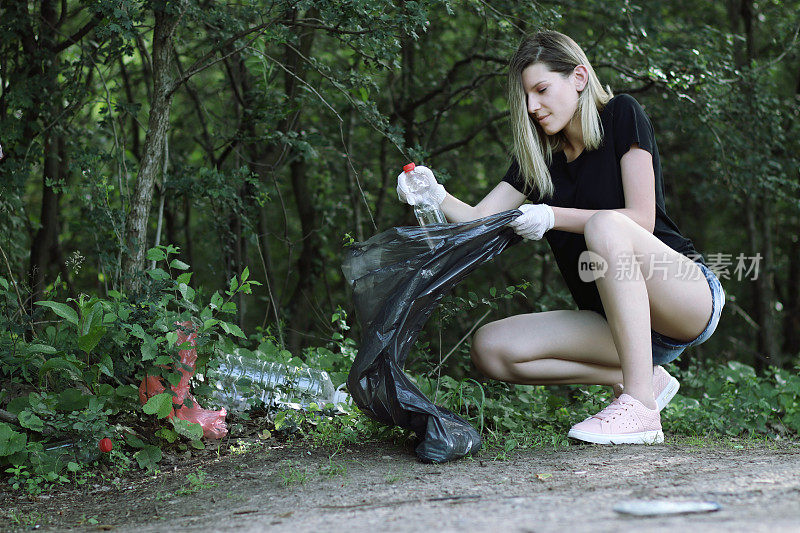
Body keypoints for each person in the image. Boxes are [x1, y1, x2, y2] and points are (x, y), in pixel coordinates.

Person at [396, 30, 724, 445]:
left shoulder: (622, 114)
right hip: (615, 323)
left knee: (605, 225)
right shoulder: (538, 159)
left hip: (683, 294)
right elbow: (479, 218)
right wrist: (435, 194)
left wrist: (552, 216)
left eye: (542, 89)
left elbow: (639, 218)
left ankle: (640, 407)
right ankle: (648, 378)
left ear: (579, 78)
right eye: (525, 97)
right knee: (491, 348)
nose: (533, 106)